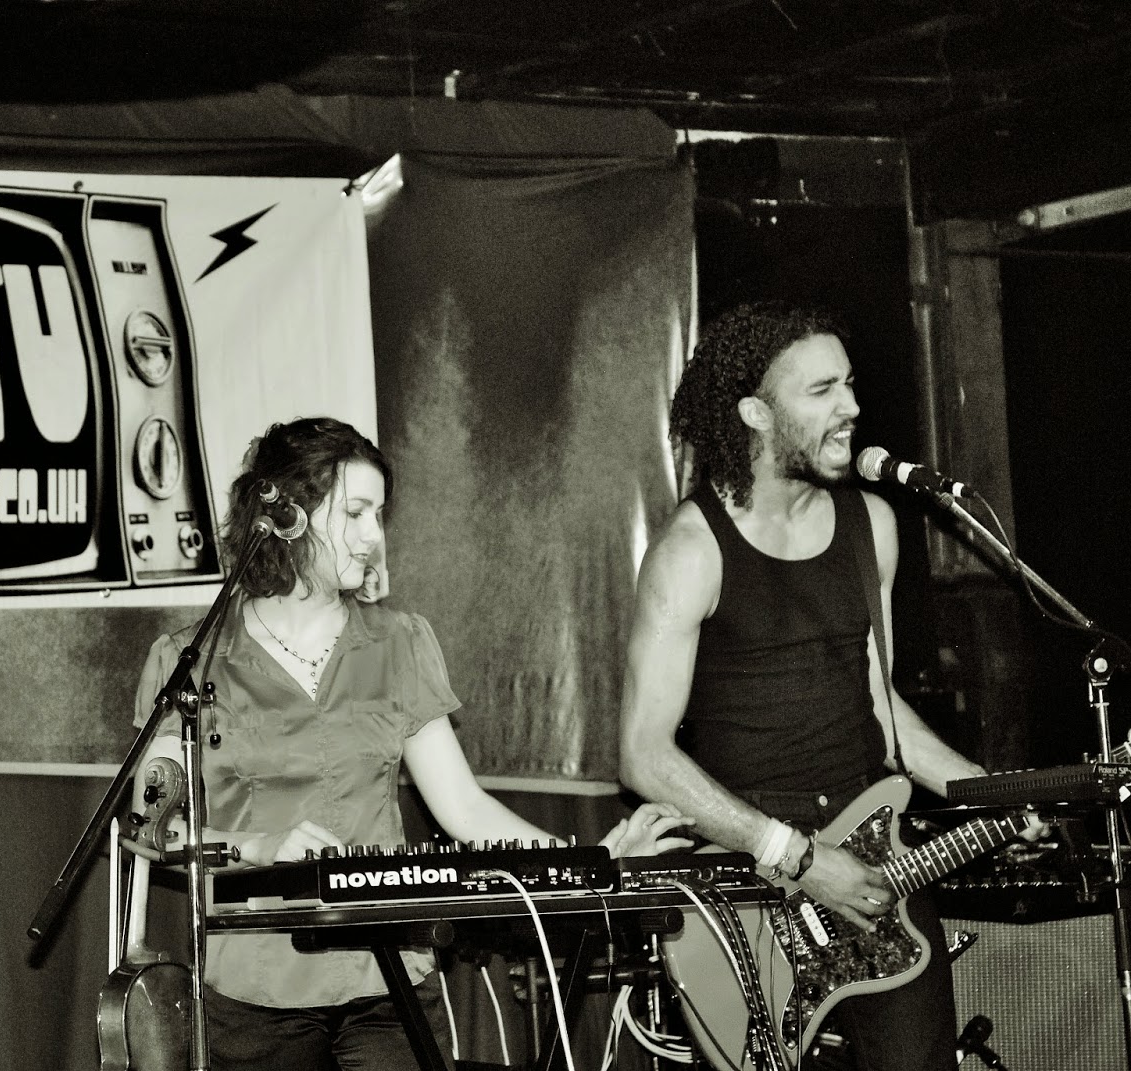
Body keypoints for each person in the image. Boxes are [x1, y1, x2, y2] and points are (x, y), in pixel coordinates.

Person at [133, 416, 695, 1071]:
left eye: (379, 515)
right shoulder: (189, 660)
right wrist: (257, 848)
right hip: (254, 994)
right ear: (286, 516)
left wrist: (589, 865)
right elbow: (148, 826)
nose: (374, 535)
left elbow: (465, 809)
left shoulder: (400, 642)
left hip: (389, 982)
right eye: (355, 513)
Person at [617, 302, 993, 1070]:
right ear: (756, 412)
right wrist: (796, 855)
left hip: (876, 854)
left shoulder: (873, 524)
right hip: (752, 877)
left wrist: (999, 794)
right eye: (822, 390)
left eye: (849, 384)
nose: (850, 406)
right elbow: (644, 755)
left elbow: (883, 715)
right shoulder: (691, 551)